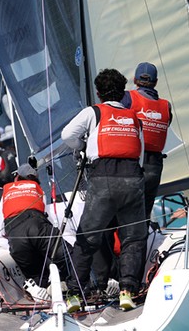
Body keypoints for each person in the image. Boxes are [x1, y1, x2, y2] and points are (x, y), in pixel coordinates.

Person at [61, 68, 147, 311]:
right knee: (132, 239)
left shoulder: (93, 112)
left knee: (87, 237)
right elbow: (139, 156)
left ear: (98, 93)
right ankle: (127, 291)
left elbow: (68, 135)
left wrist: (82, 147)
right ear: (122, 94)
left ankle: (76, 294)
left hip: (103, 179)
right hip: (133, 179)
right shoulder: (134, 118)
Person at [2, 164, 77, 302]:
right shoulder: (37, 189)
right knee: (66, 255)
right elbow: (46, 213)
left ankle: (42, 292)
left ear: (17, 177)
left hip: (15, 234)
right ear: (34, 178)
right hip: (36, 225)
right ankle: (74, 289)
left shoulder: (6, 191)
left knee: (35, 272)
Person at [121, 62, 172, 221]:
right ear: (155, 82)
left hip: (134, 161)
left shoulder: (127, 97)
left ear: (135, 80)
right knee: (144, 214)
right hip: (155, 165)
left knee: (124, 211)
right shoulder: (166, 105)